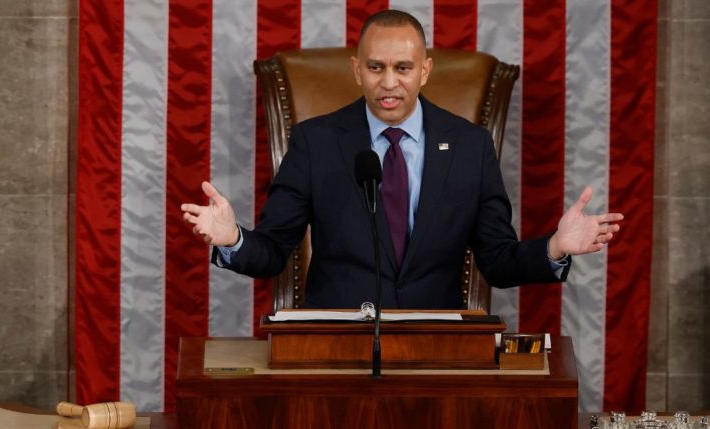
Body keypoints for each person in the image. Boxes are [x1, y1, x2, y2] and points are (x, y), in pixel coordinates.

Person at [181, 10, 623, 309]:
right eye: (375, 68)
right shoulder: (315, 142)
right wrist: (232, 238)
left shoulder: (470, 146)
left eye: (403, 68)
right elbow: (275, 251)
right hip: (335, 346)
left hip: (435, 347)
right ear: (357, 70)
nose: (388, 83)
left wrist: (555, 247)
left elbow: (498, 261)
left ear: (425, 71)